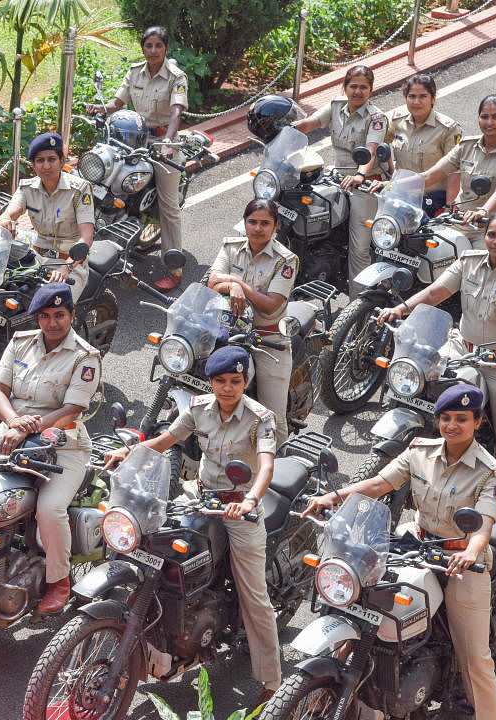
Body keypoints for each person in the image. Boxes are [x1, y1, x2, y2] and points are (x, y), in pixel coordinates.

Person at [304, 383, 496, 720]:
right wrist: (336, 496)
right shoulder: (418, 451)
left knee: (475, 657)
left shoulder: (490, 471)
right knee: (360, 602)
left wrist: (470, 551)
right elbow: (380, 484)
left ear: (477, 422)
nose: (452, 425)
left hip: (459, 559)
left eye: (462, 419)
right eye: (446, 418)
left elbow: (483, 525)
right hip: (415, 541)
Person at [103, 346, 281, 701]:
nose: (227, 388)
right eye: (220, 381)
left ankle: (272, 680)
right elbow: (166, 440)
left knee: (253, 595)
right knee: (148, 541)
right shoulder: (198, 408)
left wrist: (249, 500)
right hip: (198, 497)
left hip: (237, 507)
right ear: (211, 382)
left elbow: (266, 466)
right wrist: (131, 453)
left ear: (246, 382)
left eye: (235, 381)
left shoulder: (261, 418)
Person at [378, 210, 496, 482]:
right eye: (491, 234)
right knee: (416, 379)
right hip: (461, 347)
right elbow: (435, 293)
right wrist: (401, 309)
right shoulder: (468, 261)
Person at [0, 283, 101, 615]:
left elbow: (71, 410)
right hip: (13, 439)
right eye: (45, 316)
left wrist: (29, 426)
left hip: (63, 445)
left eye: (59, 315)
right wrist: (14, 423)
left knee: (49, 509)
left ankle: (59, 582)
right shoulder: (19, 342)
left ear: (72, 315)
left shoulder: (85, 357)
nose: (52, 323)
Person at [85, 25, 190, 290]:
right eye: (148, 46)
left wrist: (168, 140)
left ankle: (174, 267)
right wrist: (101, 108)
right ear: (142, 48)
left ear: (166, 48)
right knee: (98, 182)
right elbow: (116, 104)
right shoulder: (134, 72)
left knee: (168, 206)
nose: (153, 51)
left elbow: (177, 112)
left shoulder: (176, 77)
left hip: (163, 142)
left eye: (158, 46)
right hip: (130, 140)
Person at [207, 199, 299, 440]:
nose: (258, 228)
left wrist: (237, 285)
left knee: (272, 419)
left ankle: (278, 465)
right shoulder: (230, 247)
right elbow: (212, 282)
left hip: (267, 338)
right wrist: (232, 287)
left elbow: (270, 305)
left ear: (275, 226)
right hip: (227, 330)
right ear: (245, 223)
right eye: (253, 222)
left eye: (265, 223)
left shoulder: (285, 260)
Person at [293, 65, 389, 282]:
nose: (357, 91)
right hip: (335, 178)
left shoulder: (376, 117)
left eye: (363, 87)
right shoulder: (336, 106)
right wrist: (285, 129)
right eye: (353, 86)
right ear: (344, 87)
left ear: (371, 90)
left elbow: (371, 151)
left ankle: (358, 305)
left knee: (359, 247)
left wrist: (360, 175)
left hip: (365, 185)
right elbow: (311, 123)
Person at [414, 94, 496, 248]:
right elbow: (428, 176)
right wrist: (391, 185)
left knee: (477, 268)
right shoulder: (466, 146)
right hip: (459, 220)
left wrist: (482, 212)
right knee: (428, 251)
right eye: (484, 117)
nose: (489, 122)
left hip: (492, 225)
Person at [0, 133, 94, 301]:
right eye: (40, 160)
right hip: (36, 259)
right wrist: (6, 221)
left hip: (71, 263)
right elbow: (9, 212)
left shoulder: (79, 190)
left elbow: (86, 238)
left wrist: (67, 267)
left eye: (52, 159)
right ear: (33, 165)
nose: (46, 165)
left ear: (62, 161)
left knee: (55, 310)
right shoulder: (27, 188)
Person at [379, 73, 463, 214]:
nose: (416, 102)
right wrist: (391, 173)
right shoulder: (396, 121)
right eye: (411, 96)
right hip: (399, 196)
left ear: (433, 98)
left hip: (432, 201)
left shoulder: (448, 129)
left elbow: (454, 172)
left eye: (423, 96)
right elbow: (380, 147)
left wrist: (449, 207)